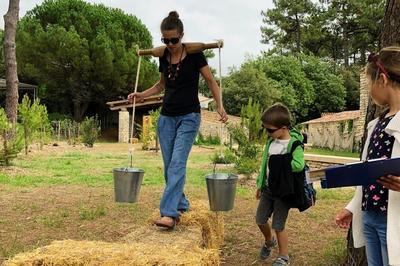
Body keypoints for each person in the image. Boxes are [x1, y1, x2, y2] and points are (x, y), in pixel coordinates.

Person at [128, 11, 227, 230]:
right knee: (168, 167)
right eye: (165, 40)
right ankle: (181, 203)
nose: (170, 44)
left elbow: (211, 81)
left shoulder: (195, 56)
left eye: (174, 39)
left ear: (182, 35)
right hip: (166, 118)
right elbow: (161, 85)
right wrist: (141, 95)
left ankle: (169, 214)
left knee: (177, 163)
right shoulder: (163, 57)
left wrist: (219, 105)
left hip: (189, 116)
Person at [335, 47, 400, 266]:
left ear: (382, 80)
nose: (369, 92)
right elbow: (367, 173)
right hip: (370, 216)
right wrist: (352, 207)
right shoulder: (377, 124)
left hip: (394, 220)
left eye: (369, 84)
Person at [255, 103, 305, 266]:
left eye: (270, 130)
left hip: (283, 192)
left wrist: (280, 165)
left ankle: (283, 256)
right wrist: (260, 184)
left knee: (278, 225)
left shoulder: (294, 144)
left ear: (283, 128)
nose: (268, 134)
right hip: (268, 190)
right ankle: (270, 241)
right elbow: (265, 165)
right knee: (260, 220)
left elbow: (299, 165)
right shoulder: (271, 143)